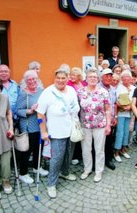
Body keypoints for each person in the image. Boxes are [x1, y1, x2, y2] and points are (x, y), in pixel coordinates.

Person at [36, 68, 80, 199]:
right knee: (57, 158)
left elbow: (75, 105)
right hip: (56, 132)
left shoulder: (71, 90)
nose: (61, 80)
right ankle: (51, 183)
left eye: (63, 78)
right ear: (54, 79)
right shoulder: (47, 92)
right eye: (58, 78)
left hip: (71, 129)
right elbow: (40, 113)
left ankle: (65, 172)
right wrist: (43, 131)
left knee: (68, 154)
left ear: (67, 79)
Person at [77, 68, 111, 182]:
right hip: (85, 125)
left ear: (98, 79)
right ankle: (87, 169)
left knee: (99, 149)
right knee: (85, 149)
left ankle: (98, 171)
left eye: (95, 77)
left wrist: (108, 125)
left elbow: (108, 110)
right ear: (86, 79)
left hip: (100, 125)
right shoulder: (80, 92)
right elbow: (77, 108)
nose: (92, 79)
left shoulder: (103, 92)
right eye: (90, 76)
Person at [16, 70, 48, 184]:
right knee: (27, 150)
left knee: (38, 148)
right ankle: (23, 173)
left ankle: (37, 167)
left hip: (41, 124)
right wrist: (30, 111)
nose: (32, 81)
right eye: (29, 79)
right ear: (26, 81)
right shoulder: (23, 93)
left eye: (34, 79)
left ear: (37, 79)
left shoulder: (41, 91)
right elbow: (18, 111)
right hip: (28, 126)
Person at [67, 67, 87, 165]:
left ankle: (81, 154)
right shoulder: (68, 85)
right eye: (71, 75)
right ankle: (73, 156)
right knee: (75, 132)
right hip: (75, 112)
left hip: (85, 112)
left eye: (74, 75)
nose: (72, 77)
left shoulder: (84, 84)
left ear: (79, 76)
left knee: (83, 132)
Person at [114, 70, 136, 162]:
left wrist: (130, 107)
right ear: (121, 79)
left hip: (130, 113)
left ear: (131, 78)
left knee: (127, 132)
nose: (126, 79)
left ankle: (123, 149)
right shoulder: (118, 88)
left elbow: (135, 100)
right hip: (121, 113)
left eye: (128, 77)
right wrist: (124, 106)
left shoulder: (134, 88)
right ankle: (116, 151)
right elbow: (116, 101)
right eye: (124, 77)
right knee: (120, 132)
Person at [99, 68, 118, 170]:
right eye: (106, 76)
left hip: (110, 120)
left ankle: (108, 159)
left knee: (109, 141)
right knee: (98, 142)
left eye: (110, 76)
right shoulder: (97, 88)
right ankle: (96, 162)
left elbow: (114, 104)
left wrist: (115, 117)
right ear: (101, 77)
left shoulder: (113, 89)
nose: (109, 78)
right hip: (100, 120)